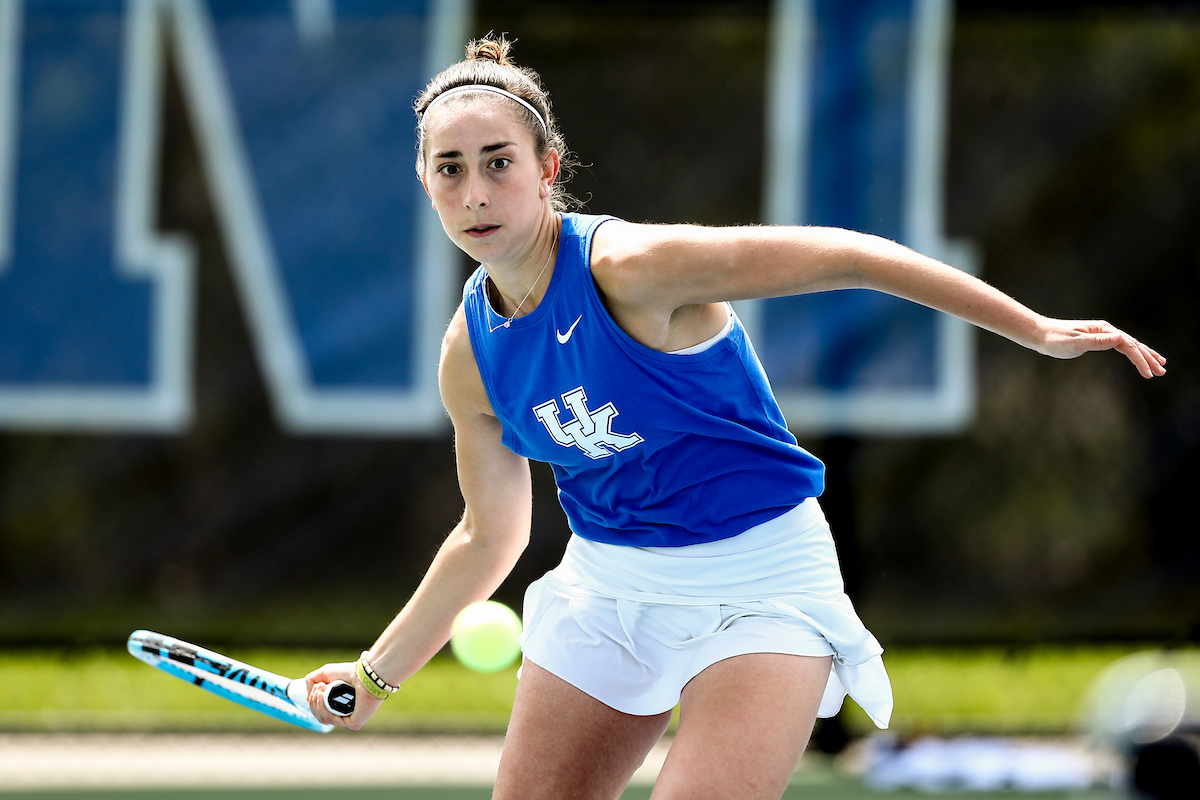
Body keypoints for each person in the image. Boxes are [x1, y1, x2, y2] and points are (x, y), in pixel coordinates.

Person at [303, 36, 1166, 800]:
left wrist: (1035, 328)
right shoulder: (470, 352)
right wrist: (376, 675)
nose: (475, 190)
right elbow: (489, 538)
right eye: (450, 169)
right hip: (607, 591)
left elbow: (849, 256)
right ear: (425, 182)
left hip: (763, 586)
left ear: (548, 167)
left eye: (498, 161)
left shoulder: (635, 268)